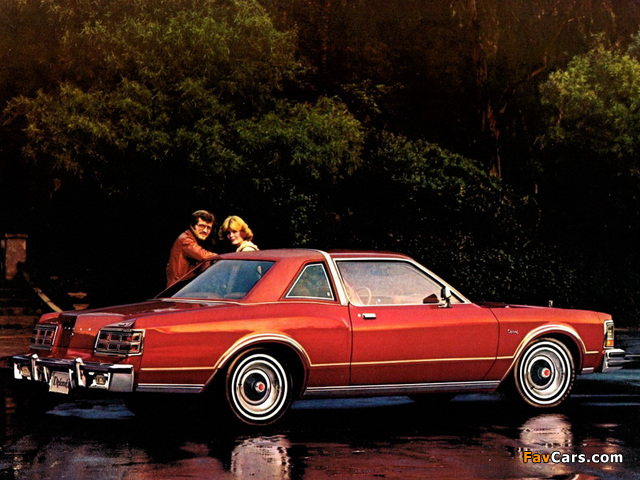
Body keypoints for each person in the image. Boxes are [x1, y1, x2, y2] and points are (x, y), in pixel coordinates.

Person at [166, 210, 217, 286]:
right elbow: (203, 255)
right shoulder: (185, 240)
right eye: (201, 226)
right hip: (179, 288)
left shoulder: (194, 239)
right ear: (192, 226)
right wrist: (221, 258)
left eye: (208, 227)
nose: (205, 230)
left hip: (183, 287)